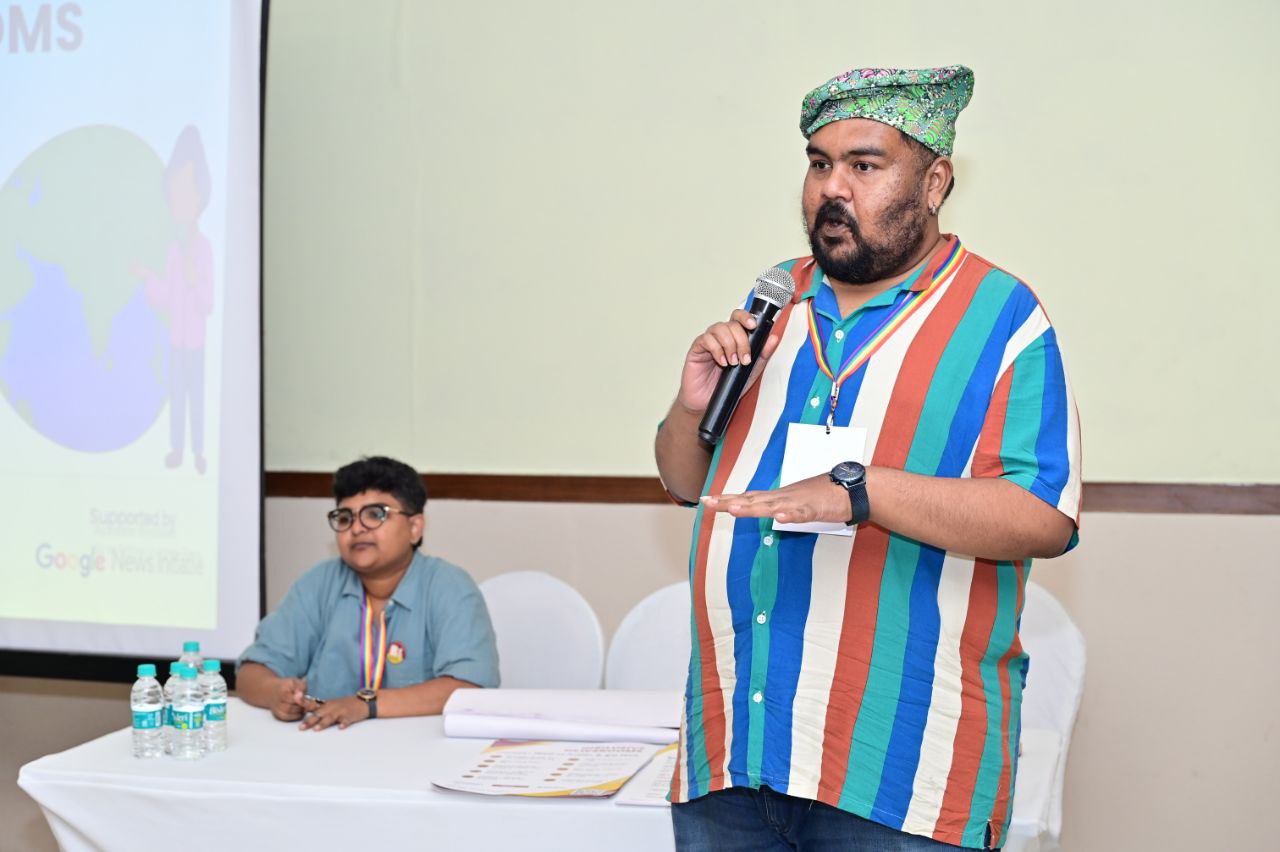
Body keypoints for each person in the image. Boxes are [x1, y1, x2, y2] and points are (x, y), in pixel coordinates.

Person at [655, 66, 1081, 851]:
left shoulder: (1001, 316)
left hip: (900, 776)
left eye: (864, 164)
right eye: (819, 164)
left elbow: (1043, 516)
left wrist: (861, 491)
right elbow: (685, 482)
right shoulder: (774, 303)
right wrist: (692, 409)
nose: (832, 188)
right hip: (735, 750)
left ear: (934, 182)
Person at [237, 456, 499, 730]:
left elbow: (471, 686)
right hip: (329, 744)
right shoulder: (319, 583)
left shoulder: (450, 586)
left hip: (418, 747)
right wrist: (275, 692)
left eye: (375, 514)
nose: (356, 528)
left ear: (414, 528)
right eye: (345, 517)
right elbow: (251, 672)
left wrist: (366, 704)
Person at [138, 125, 215, 474]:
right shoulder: (172, 249)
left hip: (195, 343)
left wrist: (193, 276)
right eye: (174, 192)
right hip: (175, 341)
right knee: (177, 398)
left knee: (196, 398)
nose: (178, 201)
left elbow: (208, 302)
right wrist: (147, 278)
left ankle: (199, 451)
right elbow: (166, 297)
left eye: (186, 192)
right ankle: (177, 448)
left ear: (200, 196)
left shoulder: (204, 249)